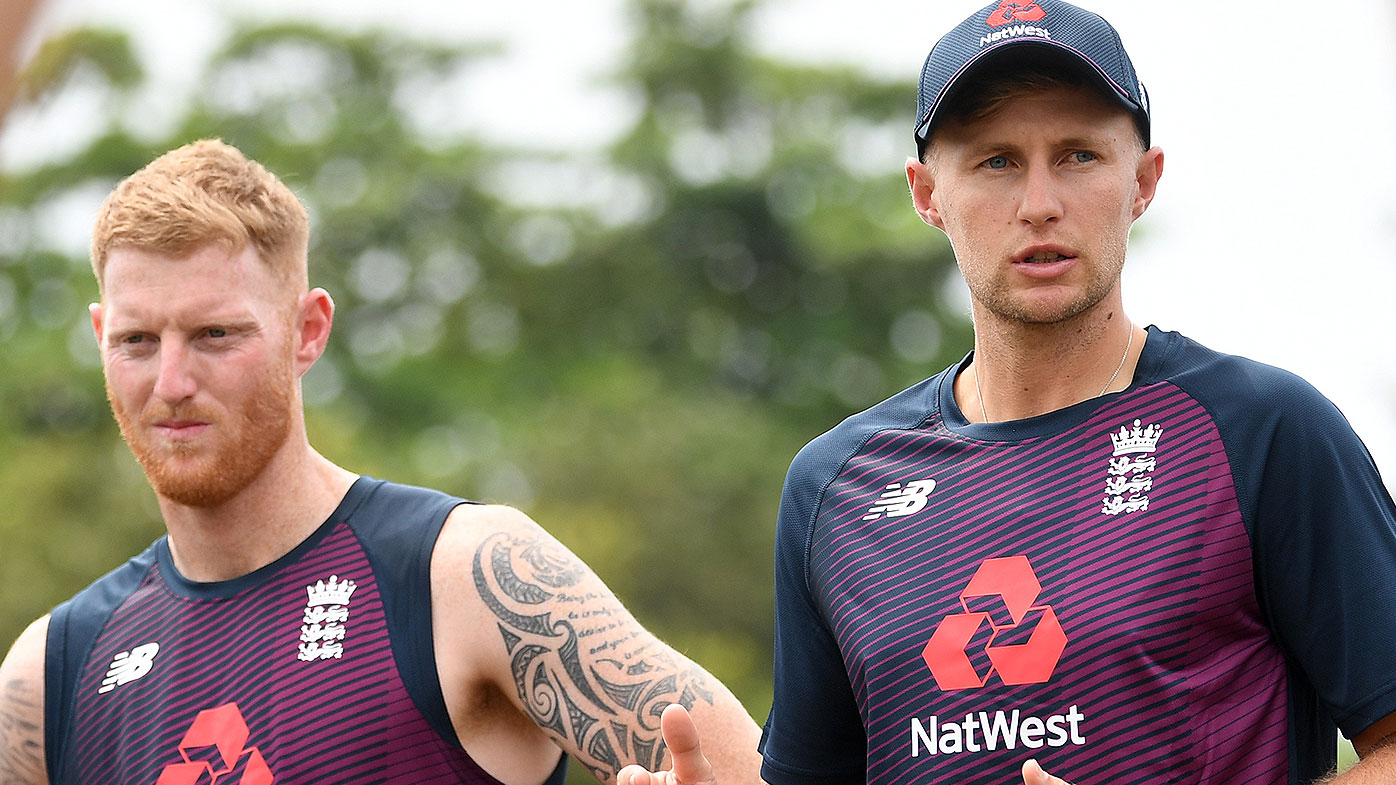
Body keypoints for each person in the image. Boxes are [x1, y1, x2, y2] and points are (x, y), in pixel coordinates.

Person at [755, 1, 1396, 784]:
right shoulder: (835, 484)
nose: (1039, 204)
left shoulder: (1263, 430)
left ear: (1143, 180)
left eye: (1079, 155)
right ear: (927, 195)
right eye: (995, 161)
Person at [0, 139, 756, 785]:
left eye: (215, 335)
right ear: (100, 332)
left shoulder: (462, 576)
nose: (170, 383)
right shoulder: (51, 672)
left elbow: (748, 769)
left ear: (308, 330)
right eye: (136, 341)